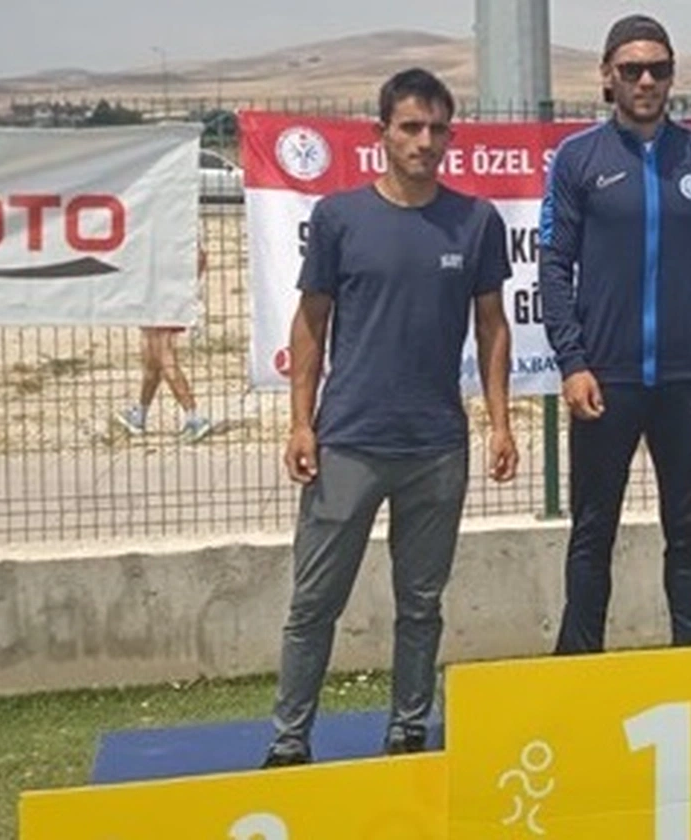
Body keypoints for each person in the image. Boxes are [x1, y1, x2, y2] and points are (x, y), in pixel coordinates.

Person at [262, 67, 518, 767]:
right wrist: (301, 421)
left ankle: (408, 729)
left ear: (451, 137)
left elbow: (492, 327)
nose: (424, 141)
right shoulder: (339, 217)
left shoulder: (476, 221)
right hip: (348, 443)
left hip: (437, 447)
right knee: (314, 603)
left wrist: (499, 422)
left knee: (421, 602)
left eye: (437, 129)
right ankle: (289, 740)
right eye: (410, 127)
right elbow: (310, 324)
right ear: (382, 134)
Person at [538, 13, 691, 655]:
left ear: (671, 76)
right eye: (631, 69)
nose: (645, 80)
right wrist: (572, 361)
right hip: (605, 377)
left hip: (688, 377)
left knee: (687, 528)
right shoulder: (578, 158)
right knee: (592, 530)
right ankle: (579, 663)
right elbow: (554, 264)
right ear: (607, 76)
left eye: (657, 69)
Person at [113, 245, 212, 442]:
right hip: (154, 294)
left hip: (159, 296)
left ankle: (193, 417)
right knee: (151, 359)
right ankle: (140, 415)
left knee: (164, 356)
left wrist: (180, 286)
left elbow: (199, 257)